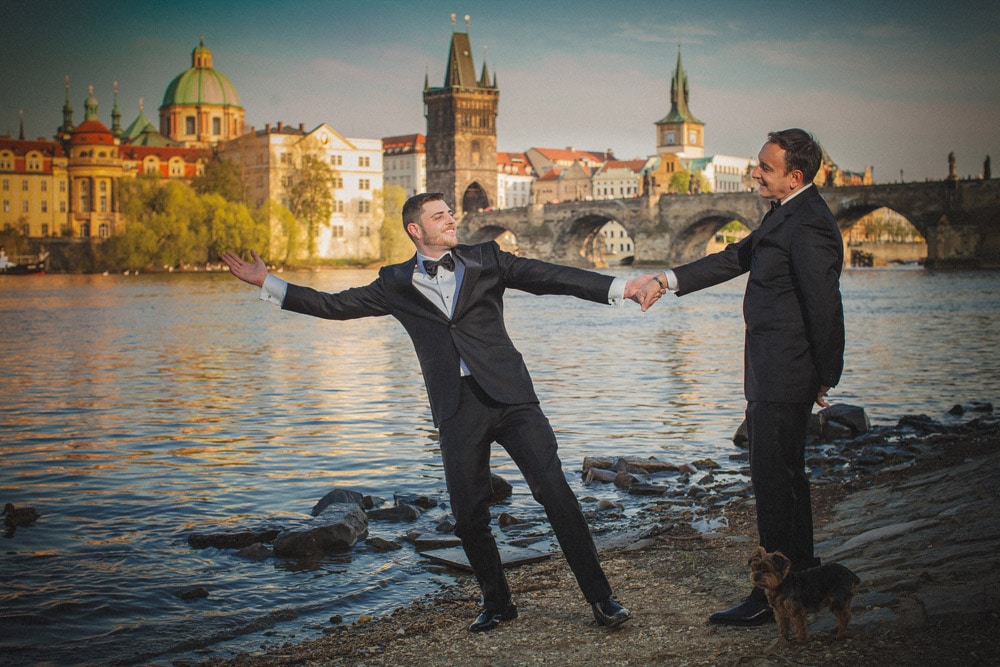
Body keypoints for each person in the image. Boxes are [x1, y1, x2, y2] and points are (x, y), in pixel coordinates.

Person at [222, 192, 662, 632]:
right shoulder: (394, 282)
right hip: (456, 406)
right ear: (416, 230)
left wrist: (620, 287)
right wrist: (269, 283)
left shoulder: (486, 258)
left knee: (556, 494)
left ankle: (602, 598)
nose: (451, 220)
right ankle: (498, 602)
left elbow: (550, 276)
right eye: (440, 216)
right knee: (469, 514)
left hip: (511, 398)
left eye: (450, 213)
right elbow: (334, 306)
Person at [639, 129, 845, 626]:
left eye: (765, 167)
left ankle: (770, 598)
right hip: (775, 369)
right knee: (786, 480)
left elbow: (824, 306)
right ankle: (801, 580)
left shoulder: (810, 224)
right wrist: (666, 279)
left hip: (785, 372)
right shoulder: (786, 214)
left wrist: (825, 374)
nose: (756, 172)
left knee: (775, 484)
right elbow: (734, 258)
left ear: (793, 175)